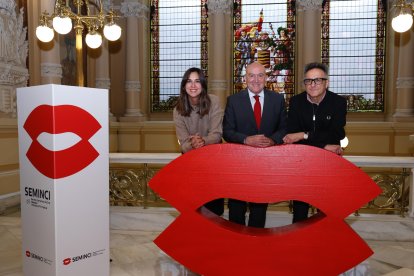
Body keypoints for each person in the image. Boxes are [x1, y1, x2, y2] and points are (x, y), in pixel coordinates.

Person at [223, 62, 287, 228]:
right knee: (236, 208)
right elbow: (227, 131)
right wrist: (246, 140)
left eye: (260, 75)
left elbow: (284, 128)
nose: (256, 80)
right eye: (252, 75)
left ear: (266, 78)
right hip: (238, 165)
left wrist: (273, 140)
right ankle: (236, 246)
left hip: (266, 165)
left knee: (259, 209)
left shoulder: (278, 99)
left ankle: (256, 247)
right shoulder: (233, 101)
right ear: (245, 78)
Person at [283, 62, 347, 223]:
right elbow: (291, 137)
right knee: (300, 210)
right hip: (302, 164)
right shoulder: (296, 102)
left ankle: (324, 244)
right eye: (308, 81)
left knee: (325, 210)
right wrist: (323, 145)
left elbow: (337, 134)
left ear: (327, 82)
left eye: (317, 80)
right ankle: (298, 245)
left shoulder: (338, 102)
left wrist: (303, 135)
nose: (312, 85)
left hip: (327, 164)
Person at [173, 67, 224, 216]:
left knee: (214, 209)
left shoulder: (213, 100)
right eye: (189, 81)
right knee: (193, 209)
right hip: (191, 162)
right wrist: (193, 144)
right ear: (184, 86)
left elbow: (217, 133)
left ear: (203, 84)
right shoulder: (178, 109)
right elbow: (183, 143)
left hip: (213, 160)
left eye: (197, 81)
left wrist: (202, 140)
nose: (193, 85)